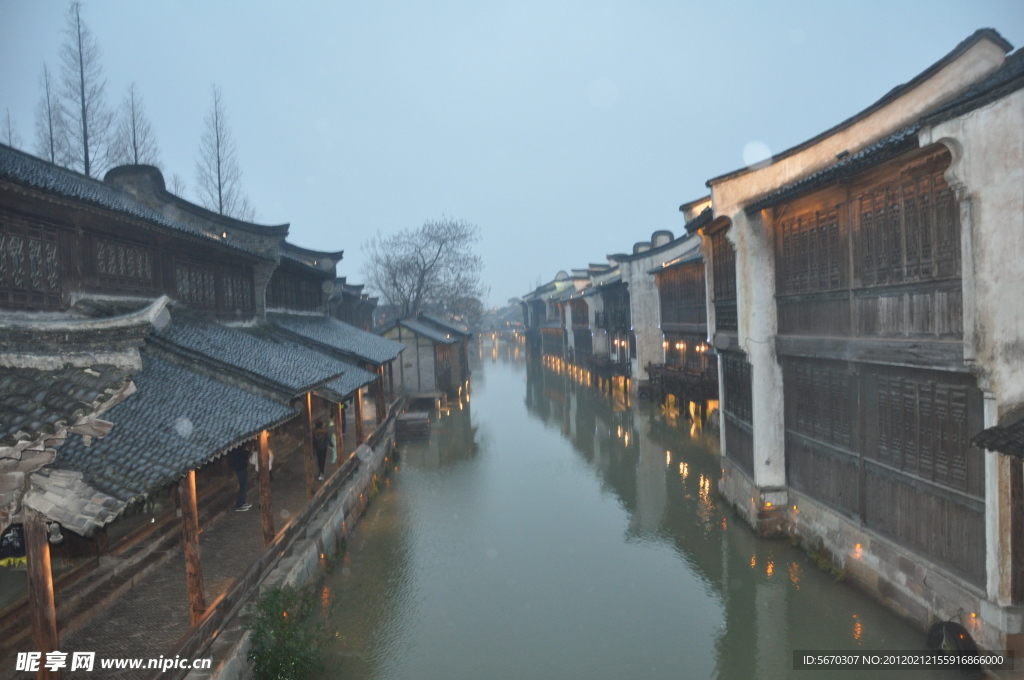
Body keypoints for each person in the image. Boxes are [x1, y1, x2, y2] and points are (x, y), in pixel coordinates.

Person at [227, 446, 251, 511]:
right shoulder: (236, 451)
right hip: (240, 469)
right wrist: (246, 451)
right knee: (243, 486)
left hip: (241, 468)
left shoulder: (235, 450)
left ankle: (242, 502)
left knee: (244, 485)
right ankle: (239, 504)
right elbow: (243, 458)